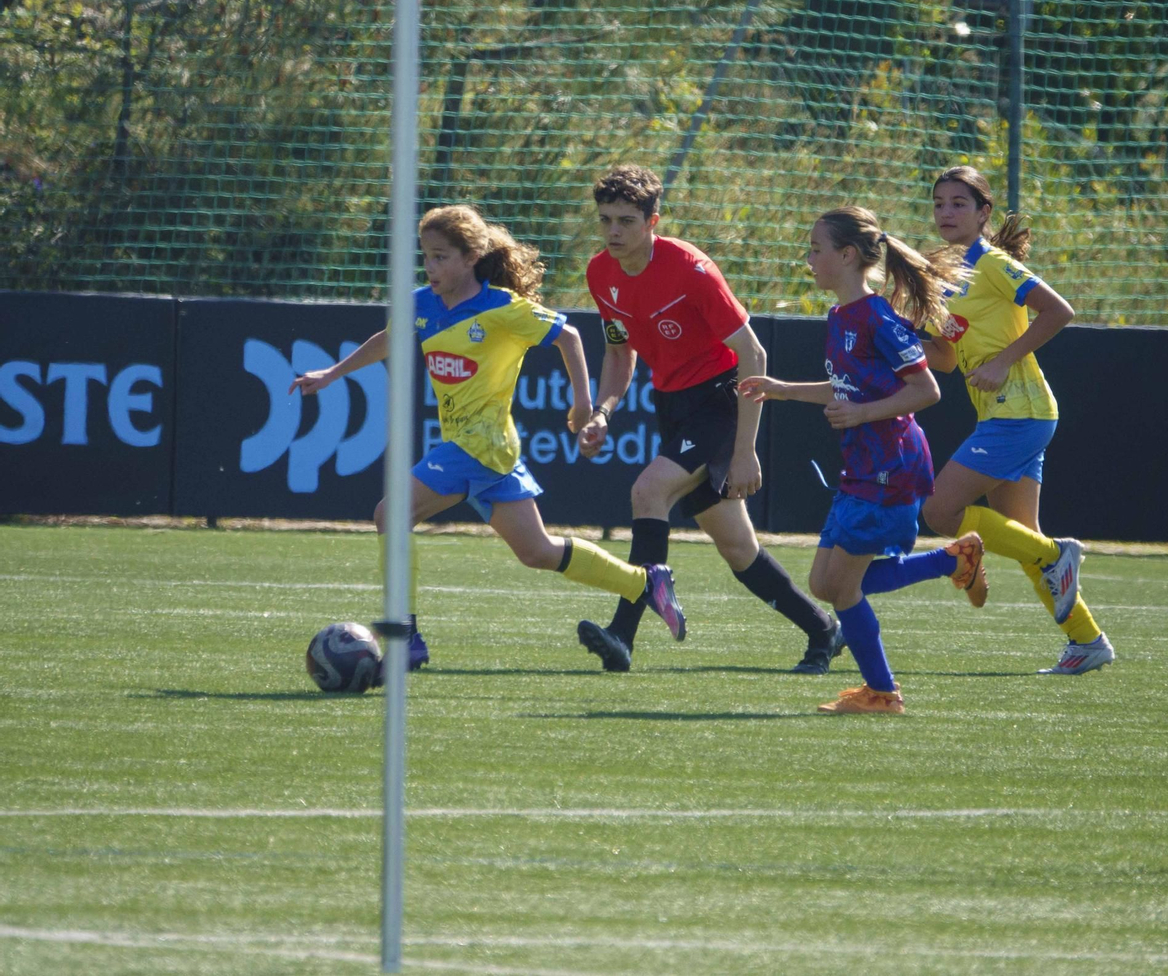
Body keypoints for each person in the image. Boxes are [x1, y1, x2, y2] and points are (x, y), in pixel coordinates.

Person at [290, 204, 685, 669]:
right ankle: (645, 582)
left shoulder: (501, 309)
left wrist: (583, 403)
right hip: (484, 448)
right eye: (426, 257)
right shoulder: (422, 304)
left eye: (440, 257)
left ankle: (406, 638)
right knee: (537, 551)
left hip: (481, 443)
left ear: (471, 256)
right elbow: (392, 338)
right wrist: (334, 374)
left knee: (390, 513)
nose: (430, 267)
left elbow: (570, 337)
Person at [574, 165, 843, 674]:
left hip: (721, 400)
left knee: (647, 491)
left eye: (626, 221)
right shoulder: (599, 273)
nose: (613, 232)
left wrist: (745, 451)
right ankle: (824, 629)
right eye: (606, 219)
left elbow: (754, 354)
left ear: (654, 220)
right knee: (738, 548)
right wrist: (602, 411)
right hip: (673, 406)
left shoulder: (692, 270)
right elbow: (618, 355)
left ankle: (621, 636)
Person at [739, 206, 986, 714]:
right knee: (823, 583)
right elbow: (846, 387)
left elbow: (927, 389)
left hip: (890, 466)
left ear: (847, 256)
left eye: (815, 249)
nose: (808, 258)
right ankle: (951, 560)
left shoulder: (876, 316)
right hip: (861, 466)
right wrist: (783, 390)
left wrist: (862, 414)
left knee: (840, 587)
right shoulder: (839, 316)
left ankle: (882, 692)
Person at [919, 165, 1114, 675]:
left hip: (1020, 413)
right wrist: (895, 340)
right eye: (939, 203)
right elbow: (943, 357)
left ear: (984, 213)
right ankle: (1087, 641)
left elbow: (1059, 311)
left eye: (959, 203)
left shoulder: (992, 262)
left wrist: (1003, 360)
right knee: (1021, 535)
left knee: (939, 512)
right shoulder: (946, 272)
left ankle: (1057, 554)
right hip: (1007, 417)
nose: (946, 212)